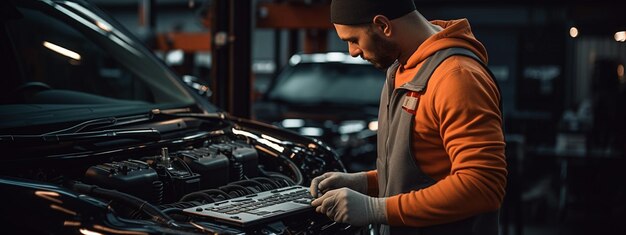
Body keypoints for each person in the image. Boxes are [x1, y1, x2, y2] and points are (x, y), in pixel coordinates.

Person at [309, 0, 507, 234]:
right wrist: (366, 183)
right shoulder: (401, 69)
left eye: (353, 40)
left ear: (383, 25)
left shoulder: (456, 76)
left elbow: (482, 187)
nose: (352, 52)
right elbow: (424, 173)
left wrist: (376, 208)